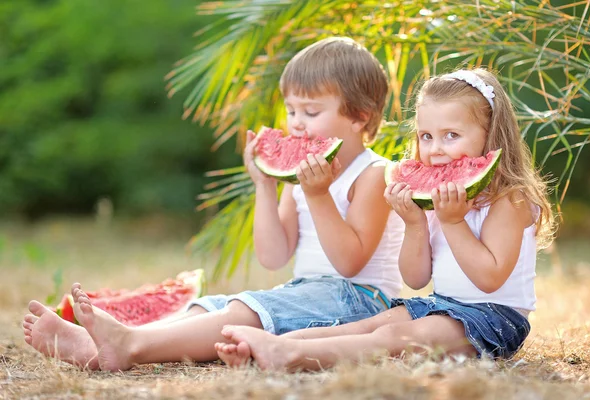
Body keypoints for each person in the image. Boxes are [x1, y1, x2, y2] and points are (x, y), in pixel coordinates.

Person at [22, 36, 405, 371]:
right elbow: (273, 256)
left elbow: (349, 263)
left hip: (362, 301)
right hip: (305, 289)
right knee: (204, 308)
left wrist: (317, 195)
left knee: (244, 312)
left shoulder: (373, 174)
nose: (296, 124)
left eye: (311, 111)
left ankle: (130, 347)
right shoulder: (300, 178)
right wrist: (265, 186)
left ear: (359, 116)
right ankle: (103, 345)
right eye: (290, 111)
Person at [212, 68, 556, 371]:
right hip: (440, 306)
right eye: (426, 136)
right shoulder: (438, 200)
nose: (435, 148)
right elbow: (416, 278)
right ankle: (268, 344)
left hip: (493, 319)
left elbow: (489, 279)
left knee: (396, 337)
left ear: (491, 134)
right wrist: (415, 225)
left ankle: (290, 354)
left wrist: (453, 223)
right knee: (370, 325)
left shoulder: (509, 199)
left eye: (451, 135)